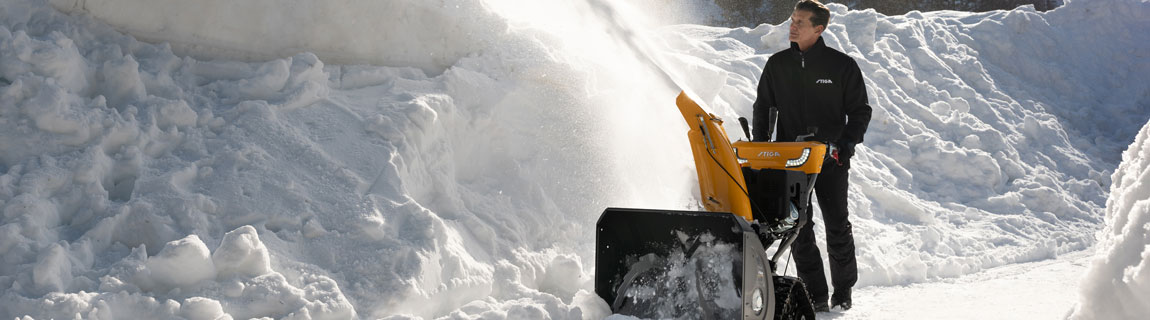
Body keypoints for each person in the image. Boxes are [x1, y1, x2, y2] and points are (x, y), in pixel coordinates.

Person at [751, 0, 871, 312]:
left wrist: (844, 146)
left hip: (830, 161)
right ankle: (814, 293)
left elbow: (860, 112)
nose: (792, 25)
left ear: (818, 29)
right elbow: (763, 107)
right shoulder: (777, 65)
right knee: (797, 228)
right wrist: (762, 146)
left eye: (800, 22)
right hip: (789, 162)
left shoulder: (841, 66)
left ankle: (843, 290)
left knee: (837, 225)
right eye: (792, 19)